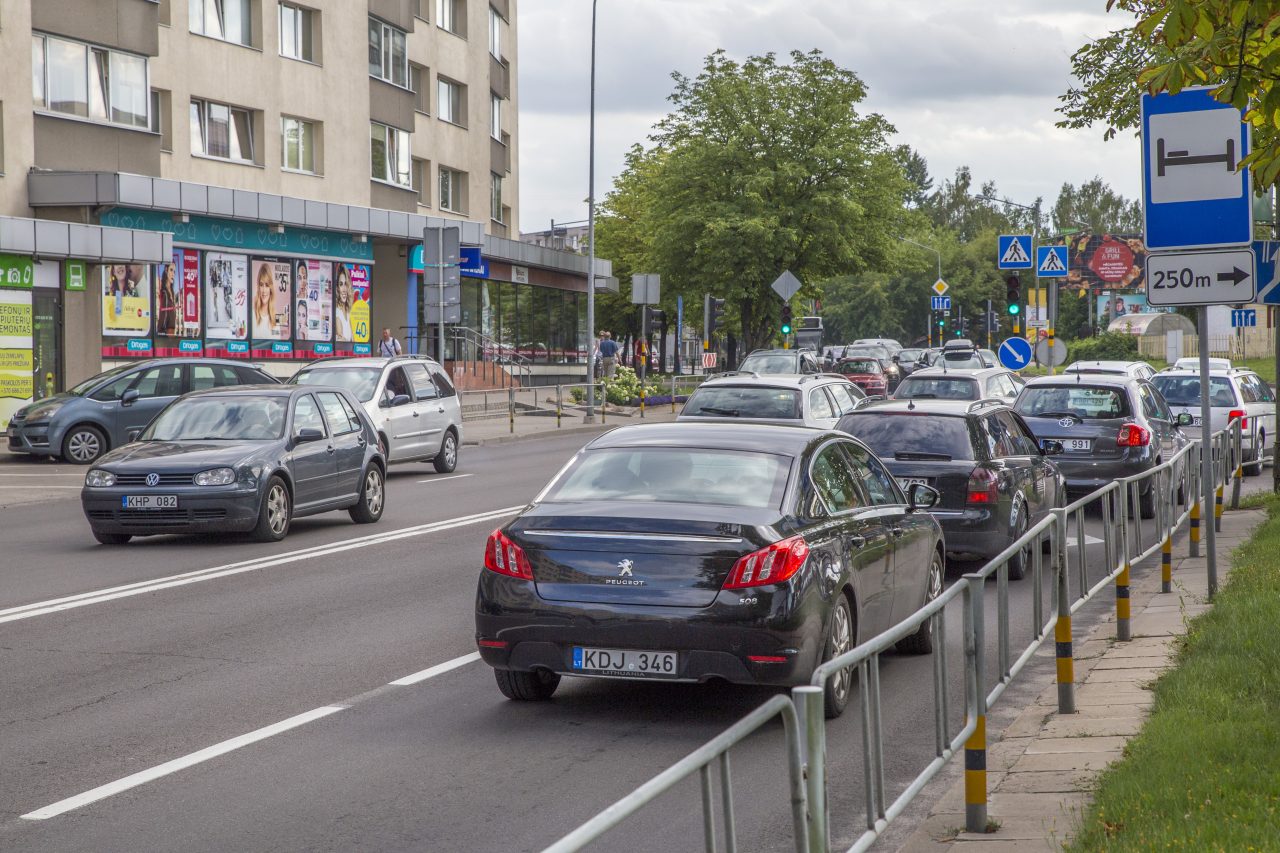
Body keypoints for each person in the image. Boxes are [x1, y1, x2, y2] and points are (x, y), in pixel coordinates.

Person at [253, 264, 276, 336]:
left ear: (270, 288)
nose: (263, 290)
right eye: (261, 285)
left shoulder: (278, 317)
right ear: (258, 287)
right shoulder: (252, 315)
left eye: (267, 285)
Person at [335, 265, 354, 341]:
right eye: (341, 284)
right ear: (337, 288)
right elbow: (341, 342)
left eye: (346, 284)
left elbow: (353, 340)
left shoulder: (348, 312)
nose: (344, 289)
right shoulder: (337, 313)